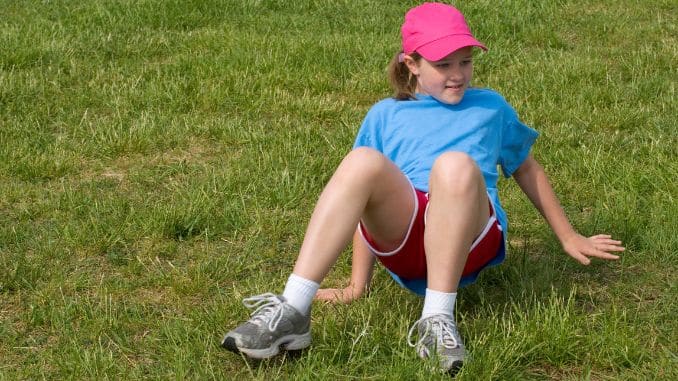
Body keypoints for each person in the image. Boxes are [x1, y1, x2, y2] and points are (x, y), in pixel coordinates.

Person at [221, 2, 625, 374]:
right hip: (407, 239)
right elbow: (362, 204)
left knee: (453, 165)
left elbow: (526, 167)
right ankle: (293, 309)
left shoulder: (490, 107)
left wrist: (568, 234)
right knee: (361, 162)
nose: (457, 74)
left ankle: (437, 318)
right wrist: (357, 286)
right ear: (411, 64)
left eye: (465, 62)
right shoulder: (386, 114)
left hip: (470, 238)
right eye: (443, 64)